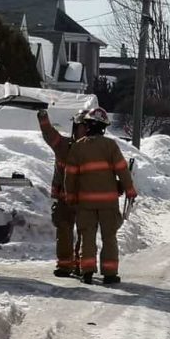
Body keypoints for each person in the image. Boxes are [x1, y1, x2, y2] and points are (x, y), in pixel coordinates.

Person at [64, 107, 137, 285]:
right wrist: (129, 189)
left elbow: (70, 175)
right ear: (103, 127)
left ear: (87, 125)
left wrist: (70, 196)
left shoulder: (77, 147)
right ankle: (110, 273)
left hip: (86, 202)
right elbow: (122, 170)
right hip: (108, 202)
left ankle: (87, 272)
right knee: (109, 237)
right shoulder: (110, 146)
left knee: (87, 236)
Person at [38, 108, 88, 277]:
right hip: (64, 199)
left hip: (85, 200)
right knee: (64, 231)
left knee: (85, 233)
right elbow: (49, 134)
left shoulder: (96, 151)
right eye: (83, 127)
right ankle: (65, 265)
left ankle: (81, 265)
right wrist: (43, 118)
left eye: (88, 127)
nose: (85, 130)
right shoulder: (63, 146)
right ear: (76, 128)